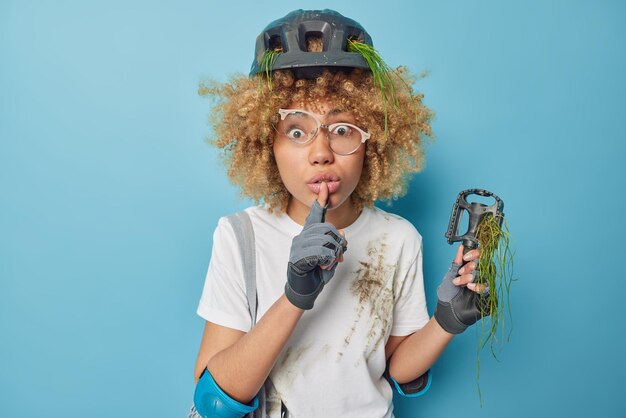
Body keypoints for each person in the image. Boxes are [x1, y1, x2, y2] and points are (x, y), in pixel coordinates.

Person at [190, 9, 488, 418]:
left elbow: (397, 370)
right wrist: (295, 297)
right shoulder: (241, 236)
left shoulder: (399, 238)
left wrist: (446, 322)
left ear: (373, 143)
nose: (321, 153)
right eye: (297, 131)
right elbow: (214, 400)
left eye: (343, 129)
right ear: (265, 143)